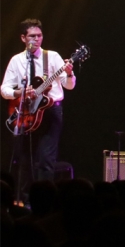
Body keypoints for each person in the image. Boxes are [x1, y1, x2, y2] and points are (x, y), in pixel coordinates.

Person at [1, 19, 76, 197]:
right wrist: (20, 92)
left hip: (51, 112)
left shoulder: (52, 57)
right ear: (23, 38)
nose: (37, 39)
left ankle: (44, 199)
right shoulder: (17, 61)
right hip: (27, 113)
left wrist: (69, 73)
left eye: (39, 36)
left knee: (46, 159)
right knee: (25, 159)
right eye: (32, 36)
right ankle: (25, 199)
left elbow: (69, 85)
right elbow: (4, 89)